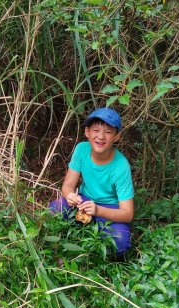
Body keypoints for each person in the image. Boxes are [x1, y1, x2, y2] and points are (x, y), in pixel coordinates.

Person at [49, 107, 134, 260]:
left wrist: (98, 211)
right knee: (53, 211)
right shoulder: (81, 149)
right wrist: (70, 196)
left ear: (117, 137)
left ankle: (91, 237)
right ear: (87, 132)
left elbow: (127, 214)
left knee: (120, 244)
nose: (101, 137)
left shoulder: (121, 165)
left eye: (108, 132)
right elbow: (67, 186)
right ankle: (84, 227)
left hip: (109, 209)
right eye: (96, 130)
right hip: (84, 201)